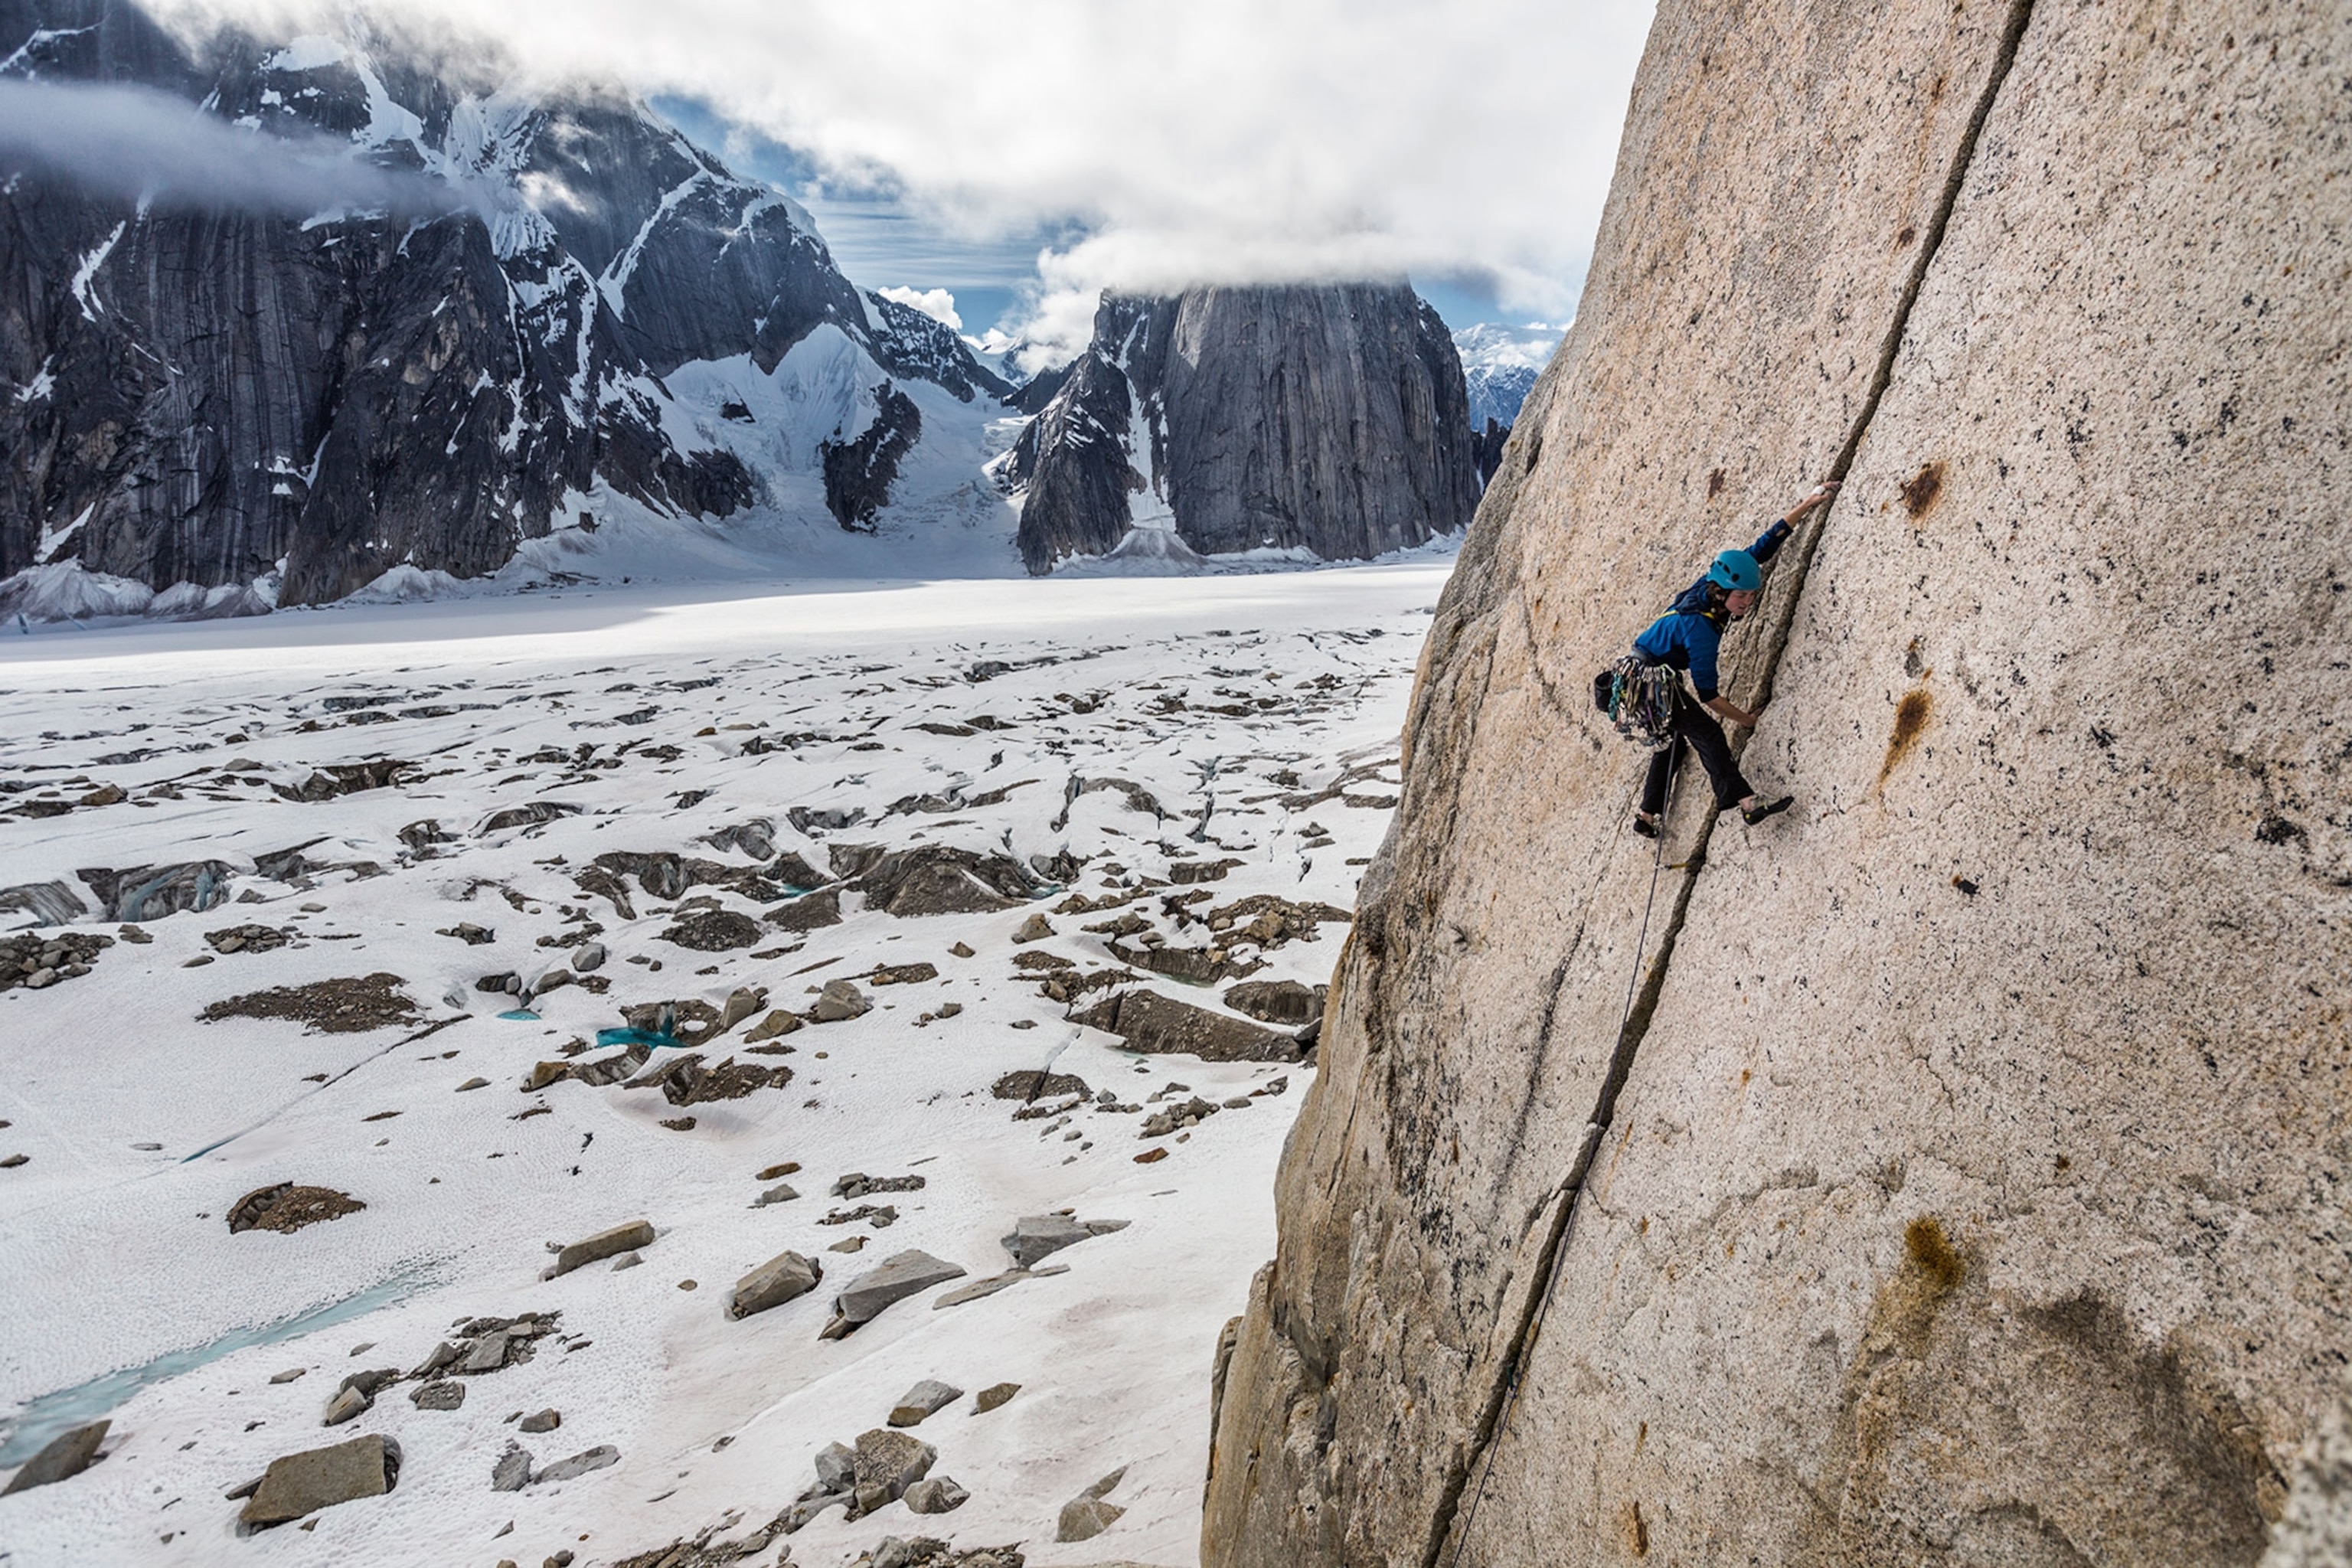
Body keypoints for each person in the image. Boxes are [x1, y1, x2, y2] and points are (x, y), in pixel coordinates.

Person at [1630, 481, 1839, 838]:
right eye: (1742, 597)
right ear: (1724, 592)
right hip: (1652, 681)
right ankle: (1747, 803)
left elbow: (1762, 548)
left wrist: (1808, 502)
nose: (1748, 603)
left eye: (1751, 596)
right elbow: (1709, 696)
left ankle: (1646, 817)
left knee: (1673, 740)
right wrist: (1746, 720)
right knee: (1708, 733)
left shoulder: (1711, 584)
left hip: (1640, 675)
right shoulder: (1702, 631)